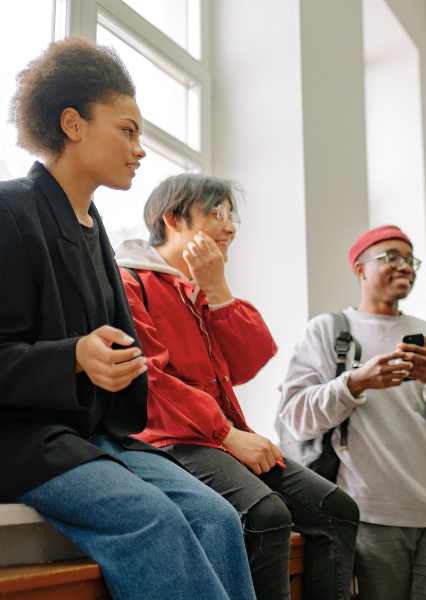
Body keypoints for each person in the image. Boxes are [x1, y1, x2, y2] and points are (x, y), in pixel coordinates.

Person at [0, 38, 256, 600]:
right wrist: (71, 356)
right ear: (72, 124)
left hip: (98, 438)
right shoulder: (9, 210)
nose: (140, 149)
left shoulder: (96, 231)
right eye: (128, 130)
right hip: (25, 439)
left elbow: (127, 361)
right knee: (156, 523)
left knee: (218, 518)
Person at [116, 173, 360, 600]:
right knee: (266, 513)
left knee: (337, 510)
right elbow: (148, 381)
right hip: (171, 440)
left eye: (233, 217)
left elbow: (248, 362)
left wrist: (218, 288)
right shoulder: (129, 281)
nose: (229, 227)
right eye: (217, 213)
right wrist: (228, 435)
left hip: (218, 436)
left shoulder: (196, 290)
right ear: (173, 219)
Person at [279, 225, 426, 600]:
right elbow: (294, 416)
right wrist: (355, 383)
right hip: (371, 514)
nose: (405, 267)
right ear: (360, 269)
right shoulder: (327, 331)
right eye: (391, 257)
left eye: (410, 259)